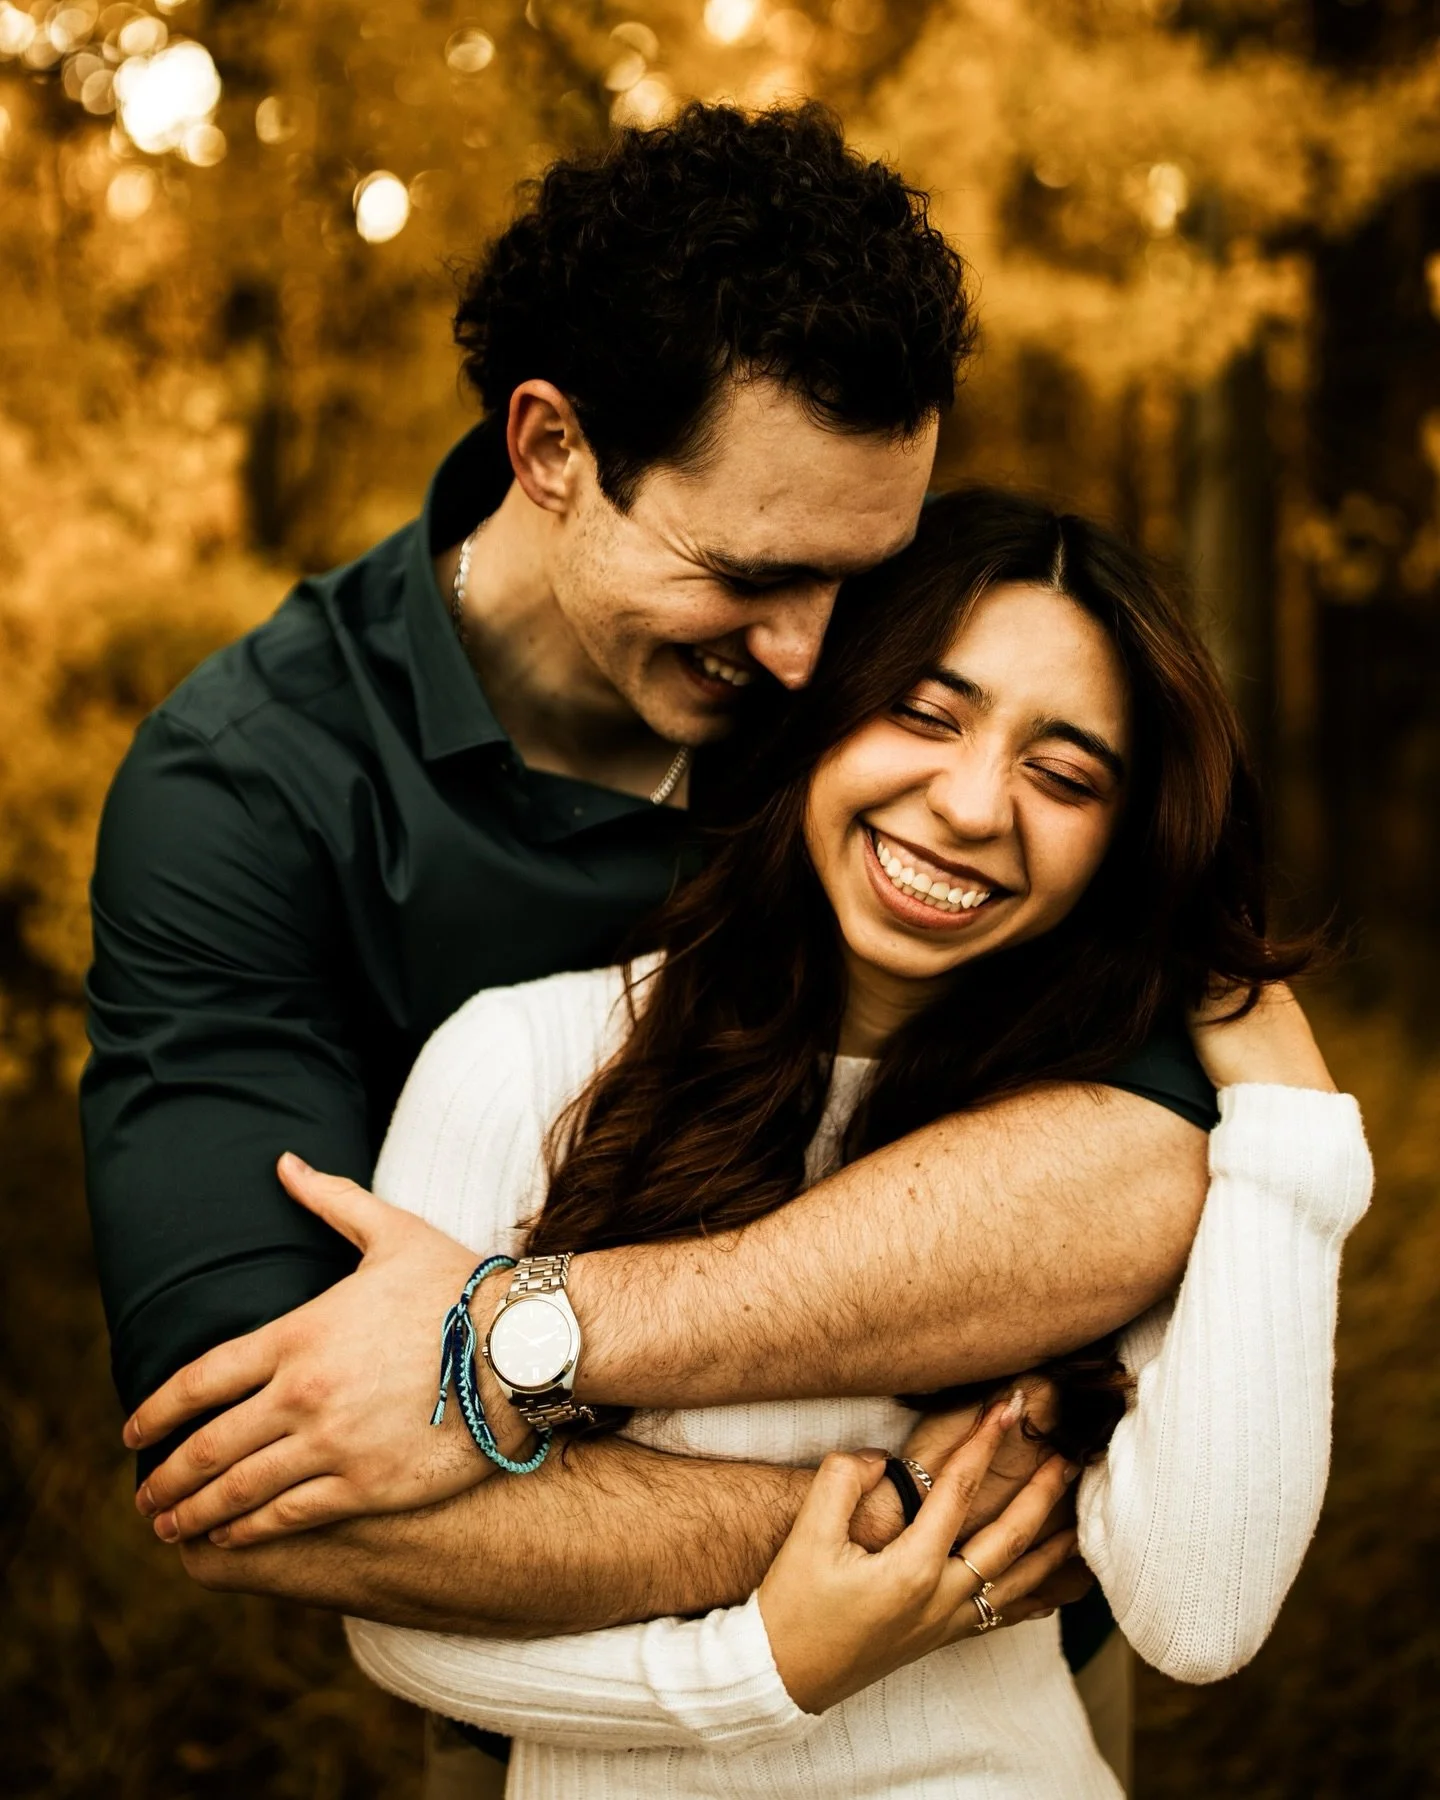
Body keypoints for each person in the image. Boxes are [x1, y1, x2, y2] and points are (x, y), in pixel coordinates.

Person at [88, 106, 1210, 1784]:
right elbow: (254, 1482)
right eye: (749, 574)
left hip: (1009, 1706)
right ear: (552, 449)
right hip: (591, 1697)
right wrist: (919, 1534)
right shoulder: (246, 798)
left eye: (863, 574)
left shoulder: (915, 705)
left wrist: (512, 1345)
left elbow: (1129, 1179)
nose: (814, 651)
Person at [327, 489, 1372, 1796]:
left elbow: (1201, 1614)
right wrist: (773, 1662)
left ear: (1123, 837)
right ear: (815, 717)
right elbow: (401, 1617)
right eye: (925, 714)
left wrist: (1290, 1122)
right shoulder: (524, 1058)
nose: (975, 804)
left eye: (1065, 775)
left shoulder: (1115, 1149)